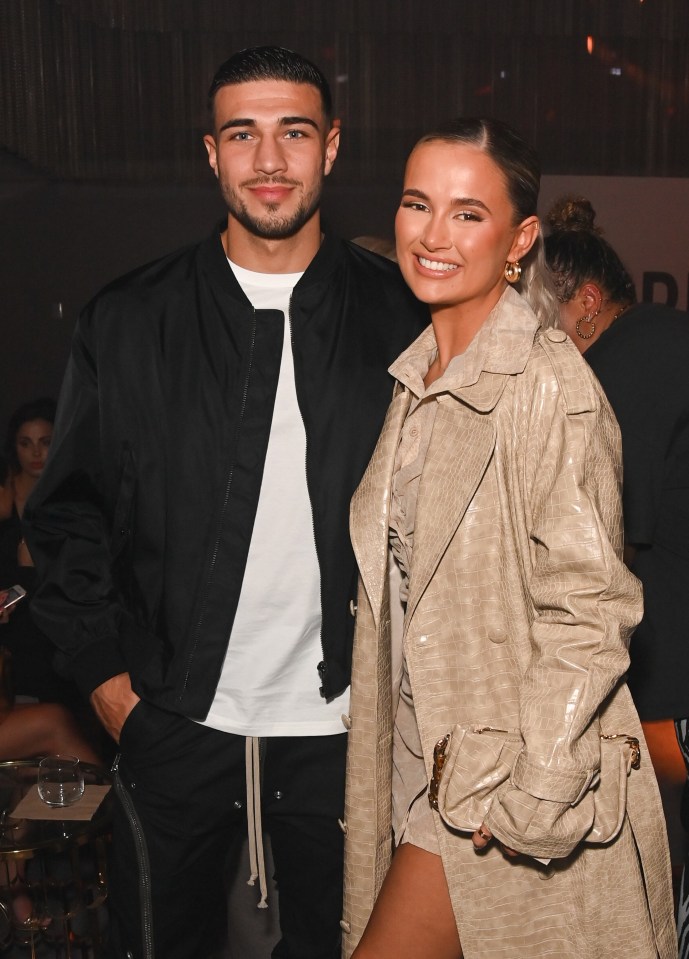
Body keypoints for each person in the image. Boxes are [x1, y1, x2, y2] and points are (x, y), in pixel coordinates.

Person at [23, 45, 427, 959]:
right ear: (211, 153)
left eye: (294, 133)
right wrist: (106, 680)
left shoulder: (400, 316)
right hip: (175, 723)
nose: (270, 160)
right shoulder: (129, 320)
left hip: (346, 732)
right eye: (243, 135)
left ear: (331, 147)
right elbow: (67, 513)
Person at [341, 118, 677, 959]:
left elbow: (593, 605)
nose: (433, 233)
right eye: (419, 204)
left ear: (519, 238)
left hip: (497, 781)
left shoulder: (546, 384)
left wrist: (538, 785)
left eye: (467, 212)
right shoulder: (415, 380)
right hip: (425, 762)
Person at [544, 195, 689, 958]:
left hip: (671, 684)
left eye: (544, 316)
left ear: (587, 303)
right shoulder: (672, 335)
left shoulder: (612, 368)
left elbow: (604, 547)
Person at [0, 399, 81, 705]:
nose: (35, 453)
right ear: (13, 446)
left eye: (45, 442)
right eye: (25, 443)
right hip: (13, 629)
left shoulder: (71, 495)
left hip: (53, 622)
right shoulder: (4, 497)